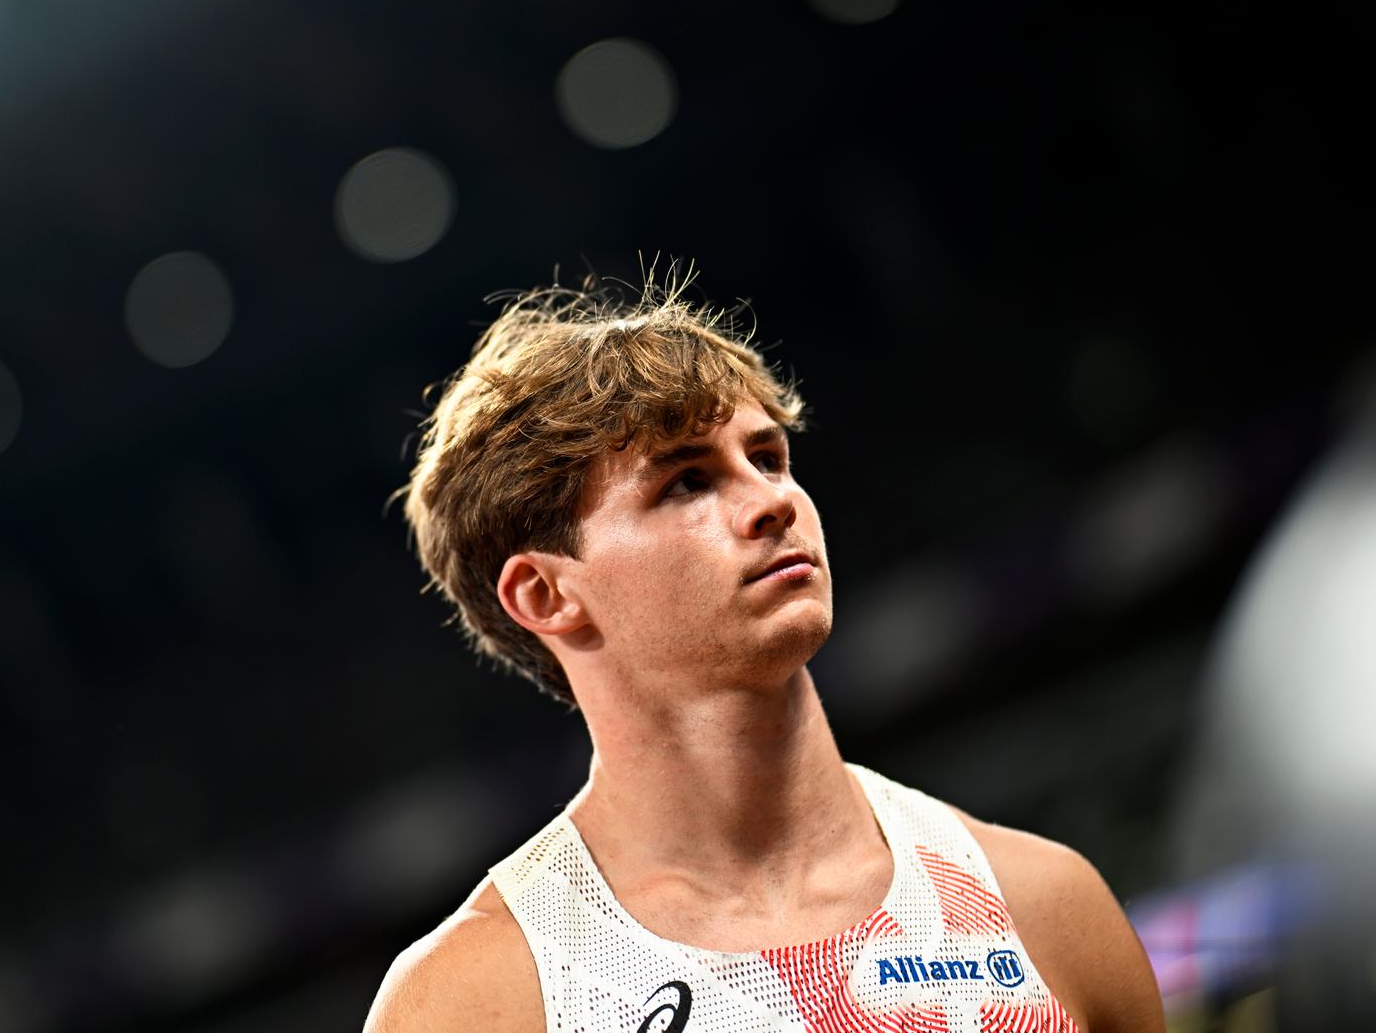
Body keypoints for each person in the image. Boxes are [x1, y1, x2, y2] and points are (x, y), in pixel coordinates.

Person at [364, 273, 1165, 1033]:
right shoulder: (478, 998)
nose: (773, 502)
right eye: (685, 481)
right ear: (546, 595)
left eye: (770, 457)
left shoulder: (1043, 905)